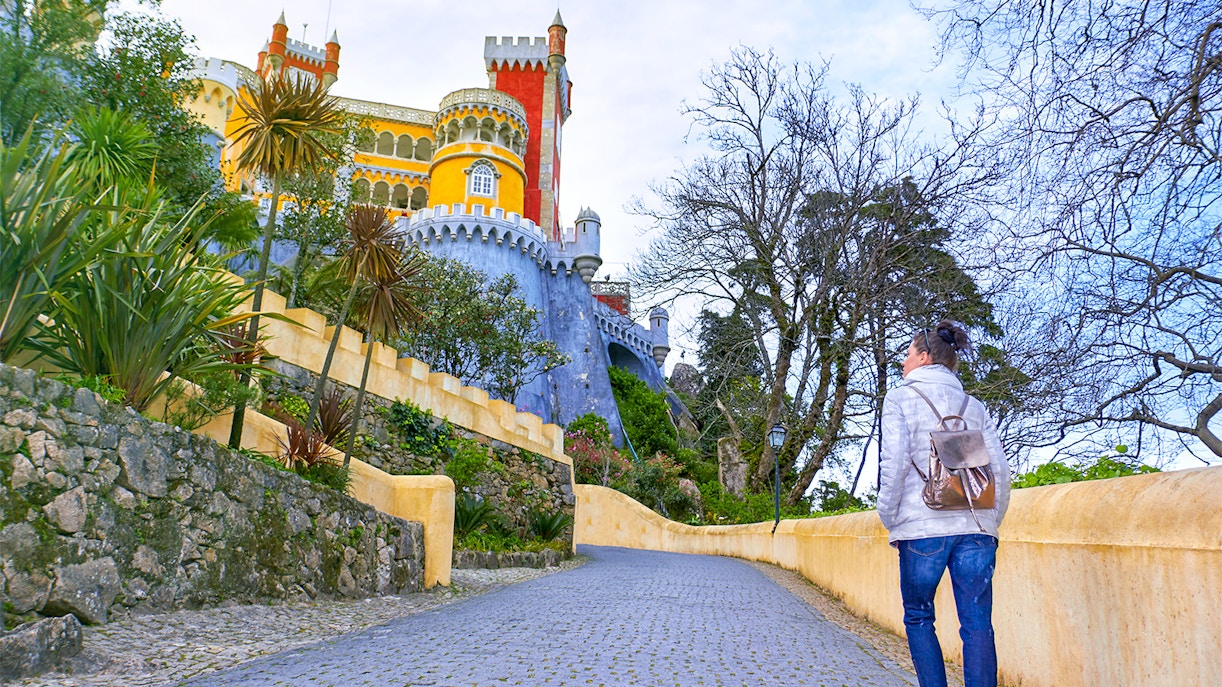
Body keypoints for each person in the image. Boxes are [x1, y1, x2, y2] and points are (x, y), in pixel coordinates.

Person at [877, 320, 1011, 687]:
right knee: (978, 623)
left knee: (919, 616)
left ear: (923, 357)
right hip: (977, 527)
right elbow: (999, 470)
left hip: (922, 526)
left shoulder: (901, 397)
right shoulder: (974, 405)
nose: (902, 364)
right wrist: (989, 521)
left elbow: (895, 462)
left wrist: (891, 517)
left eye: (906, 356)